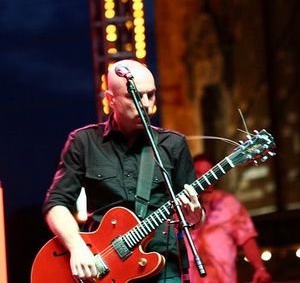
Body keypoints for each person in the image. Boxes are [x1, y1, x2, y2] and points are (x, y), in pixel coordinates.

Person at [42, 59, 204, 282]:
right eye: (135, 96)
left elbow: (195, 216)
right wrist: (77, 247)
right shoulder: (84, 142)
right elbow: (56, 203)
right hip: (105, 268)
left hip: (163, 267)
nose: (146, 104)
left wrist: (194, 213)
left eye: (151, 95)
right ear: (111, 100)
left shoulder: (172, 144)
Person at [187, 154, 272, 283]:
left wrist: (259, 268)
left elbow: (247, 237)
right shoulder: (179, 205)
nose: (203, 178)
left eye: (208, 173)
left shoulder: (228, 203)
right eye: (198, 173)